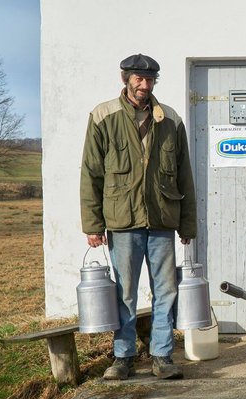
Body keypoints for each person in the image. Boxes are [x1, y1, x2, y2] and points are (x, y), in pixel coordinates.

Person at [80, 53, 197, 381]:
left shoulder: (170, 119)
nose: (144, 85)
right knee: (125, 293)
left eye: (150, 80)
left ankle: (162, 355)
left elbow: (185, 175)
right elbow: (91, 174)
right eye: (139, 79)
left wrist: (187, 224)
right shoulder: (104, 116)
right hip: (122, 220)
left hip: (162, 219)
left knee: (167, 290)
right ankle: (123, 356)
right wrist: (93, 225)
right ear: (125, 79)